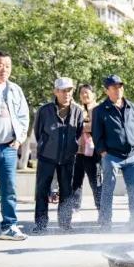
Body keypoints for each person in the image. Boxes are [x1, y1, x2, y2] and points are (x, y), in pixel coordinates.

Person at [0, 50, 30, 243]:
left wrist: (19, 139)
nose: (4, 69)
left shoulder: (15, 89)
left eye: (7, 66)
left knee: (9, 190)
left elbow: (24, 116)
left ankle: (9, 227)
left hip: (8, 148)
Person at [32, 77, 84, 233]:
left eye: (69, 90)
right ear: (55, 91)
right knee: (42, 190)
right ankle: (40, 224)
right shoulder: (44, 110)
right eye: (63, 90)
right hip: (47, 157)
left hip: (68, 158)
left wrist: (71, 148)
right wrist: (45, 147)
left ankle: (65, 223)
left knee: (67, 191)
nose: (66, 94)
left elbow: (78, 132)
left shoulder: (77, 111)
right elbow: (38, 132)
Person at [92, 74, 134, 231]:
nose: (118, 89)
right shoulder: (100, 110)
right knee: (108, 189)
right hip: (112, 156)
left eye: (120, 86)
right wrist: (103, 153)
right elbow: (96, 134)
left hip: (133, 156)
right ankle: (106, 223)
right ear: (107, 90)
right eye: (114, 87)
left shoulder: (132, 106)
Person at [71, 84, 102, 218]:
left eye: (87, 93)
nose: (84, 95)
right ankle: (74, 206)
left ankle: (101, 208)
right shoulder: (77, 109)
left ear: (93, 94)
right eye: (82, 93)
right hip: (78, 151)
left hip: (93, 152)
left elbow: (96, 127)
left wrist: (82, 126)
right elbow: (72, 126)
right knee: (76, 181)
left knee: (95, 181)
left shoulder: (98, 109)